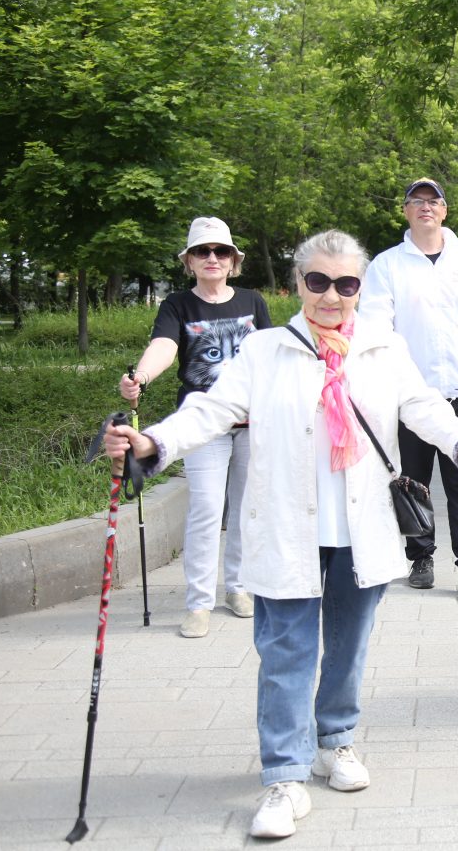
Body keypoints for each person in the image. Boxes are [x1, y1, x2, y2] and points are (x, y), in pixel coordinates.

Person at [102, 229, 458, 840]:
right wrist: (153, 442)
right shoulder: (265, 351)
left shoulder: (383, 347)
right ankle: (284, 776)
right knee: (287, 652)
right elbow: (210, 411)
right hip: (286, 528)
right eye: (318, 282)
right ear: (297, 284)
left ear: (360, 289)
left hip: (361, 528)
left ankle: (335, 743)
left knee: (348, 645)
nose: (331, 296)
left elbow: (424, 407)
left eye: (345, 284)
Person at [119, 217, 271, 638]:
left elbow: (274, 356)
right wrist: (142, 378)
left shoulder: (253, 301)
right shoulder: (177, 305)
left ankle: (238, 588)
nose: (212, 258)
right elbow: (164, 347)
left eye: (220, 251)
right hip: (204, 424)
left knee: (245, 510)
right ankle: (199, 602)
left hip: (253, 423)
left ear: (232, 260)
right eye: (202, 251)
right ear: (189, 260)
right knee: (206, 510)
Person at [359, 178, 458, 603]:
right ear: (405, 211)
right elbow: (376, 325)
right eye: (416, 201)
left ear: (444, 210)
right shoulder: (387, 265)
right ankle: (419, 557)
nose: (425, 207)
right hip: (409, 394)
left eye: (433, 201)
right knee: (411, 480)